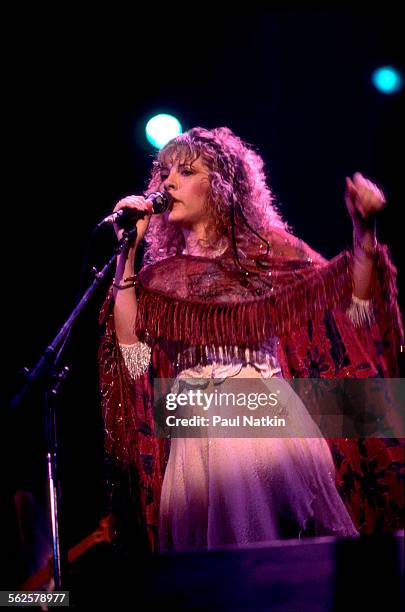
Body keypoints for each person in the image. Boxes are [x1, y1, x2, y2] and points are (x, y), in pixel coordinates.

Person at [98, 127, 404, 554]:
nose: (167, 183)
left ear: (223, 183)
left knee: (266, 568)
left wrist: (363, 231)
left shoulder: (266, 253)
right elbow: (132, 356)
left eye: (186, 172)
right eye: (164, 173)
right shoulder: (160, 279)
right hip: (194, 439)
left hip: (254, 418)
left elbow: (354, 302)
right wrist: (127, 253)